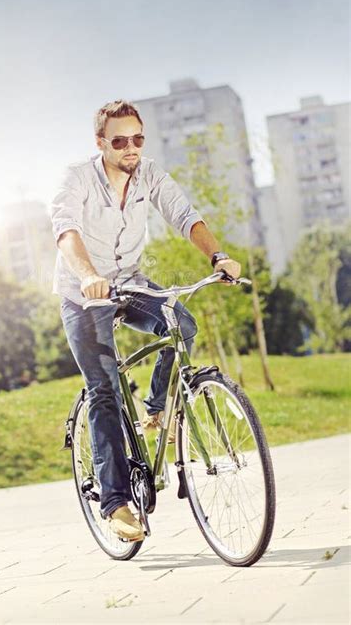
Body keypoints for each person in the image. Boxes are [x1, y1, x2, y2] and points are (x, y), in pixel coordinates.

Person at [51, 100, 241, 542]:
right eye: (120, 141)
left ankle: (156, 411)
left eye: (138, 138)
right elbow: (64, 228)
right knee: (104, 389)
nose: (131, 148)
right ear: (101, 143)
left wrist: (217, 255)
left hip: (130, 281)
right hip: (85, 293)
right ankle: (115, 503)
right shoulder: (77, 177)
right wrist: (89, 275)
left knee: (182, 326)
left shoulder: (149, 172)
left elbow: (183, 213)